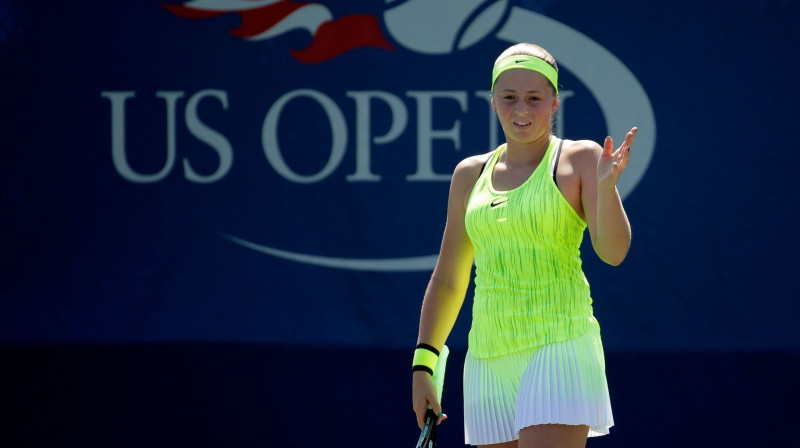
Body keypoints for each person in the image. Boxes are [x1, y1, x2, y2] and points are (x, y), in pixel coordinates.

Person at [411, 42, 637, 448]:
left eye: (534, 98)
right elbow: (448, 279)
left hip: (560, 347)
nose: (521, 109)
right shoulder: (468, 175)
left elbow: (613, 252)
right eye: (509, 97)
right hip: (487, 359)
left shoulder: (581, 159)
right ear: (493, 101)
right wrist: (424, 365)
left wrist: (606, 190)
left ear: (554, 103)